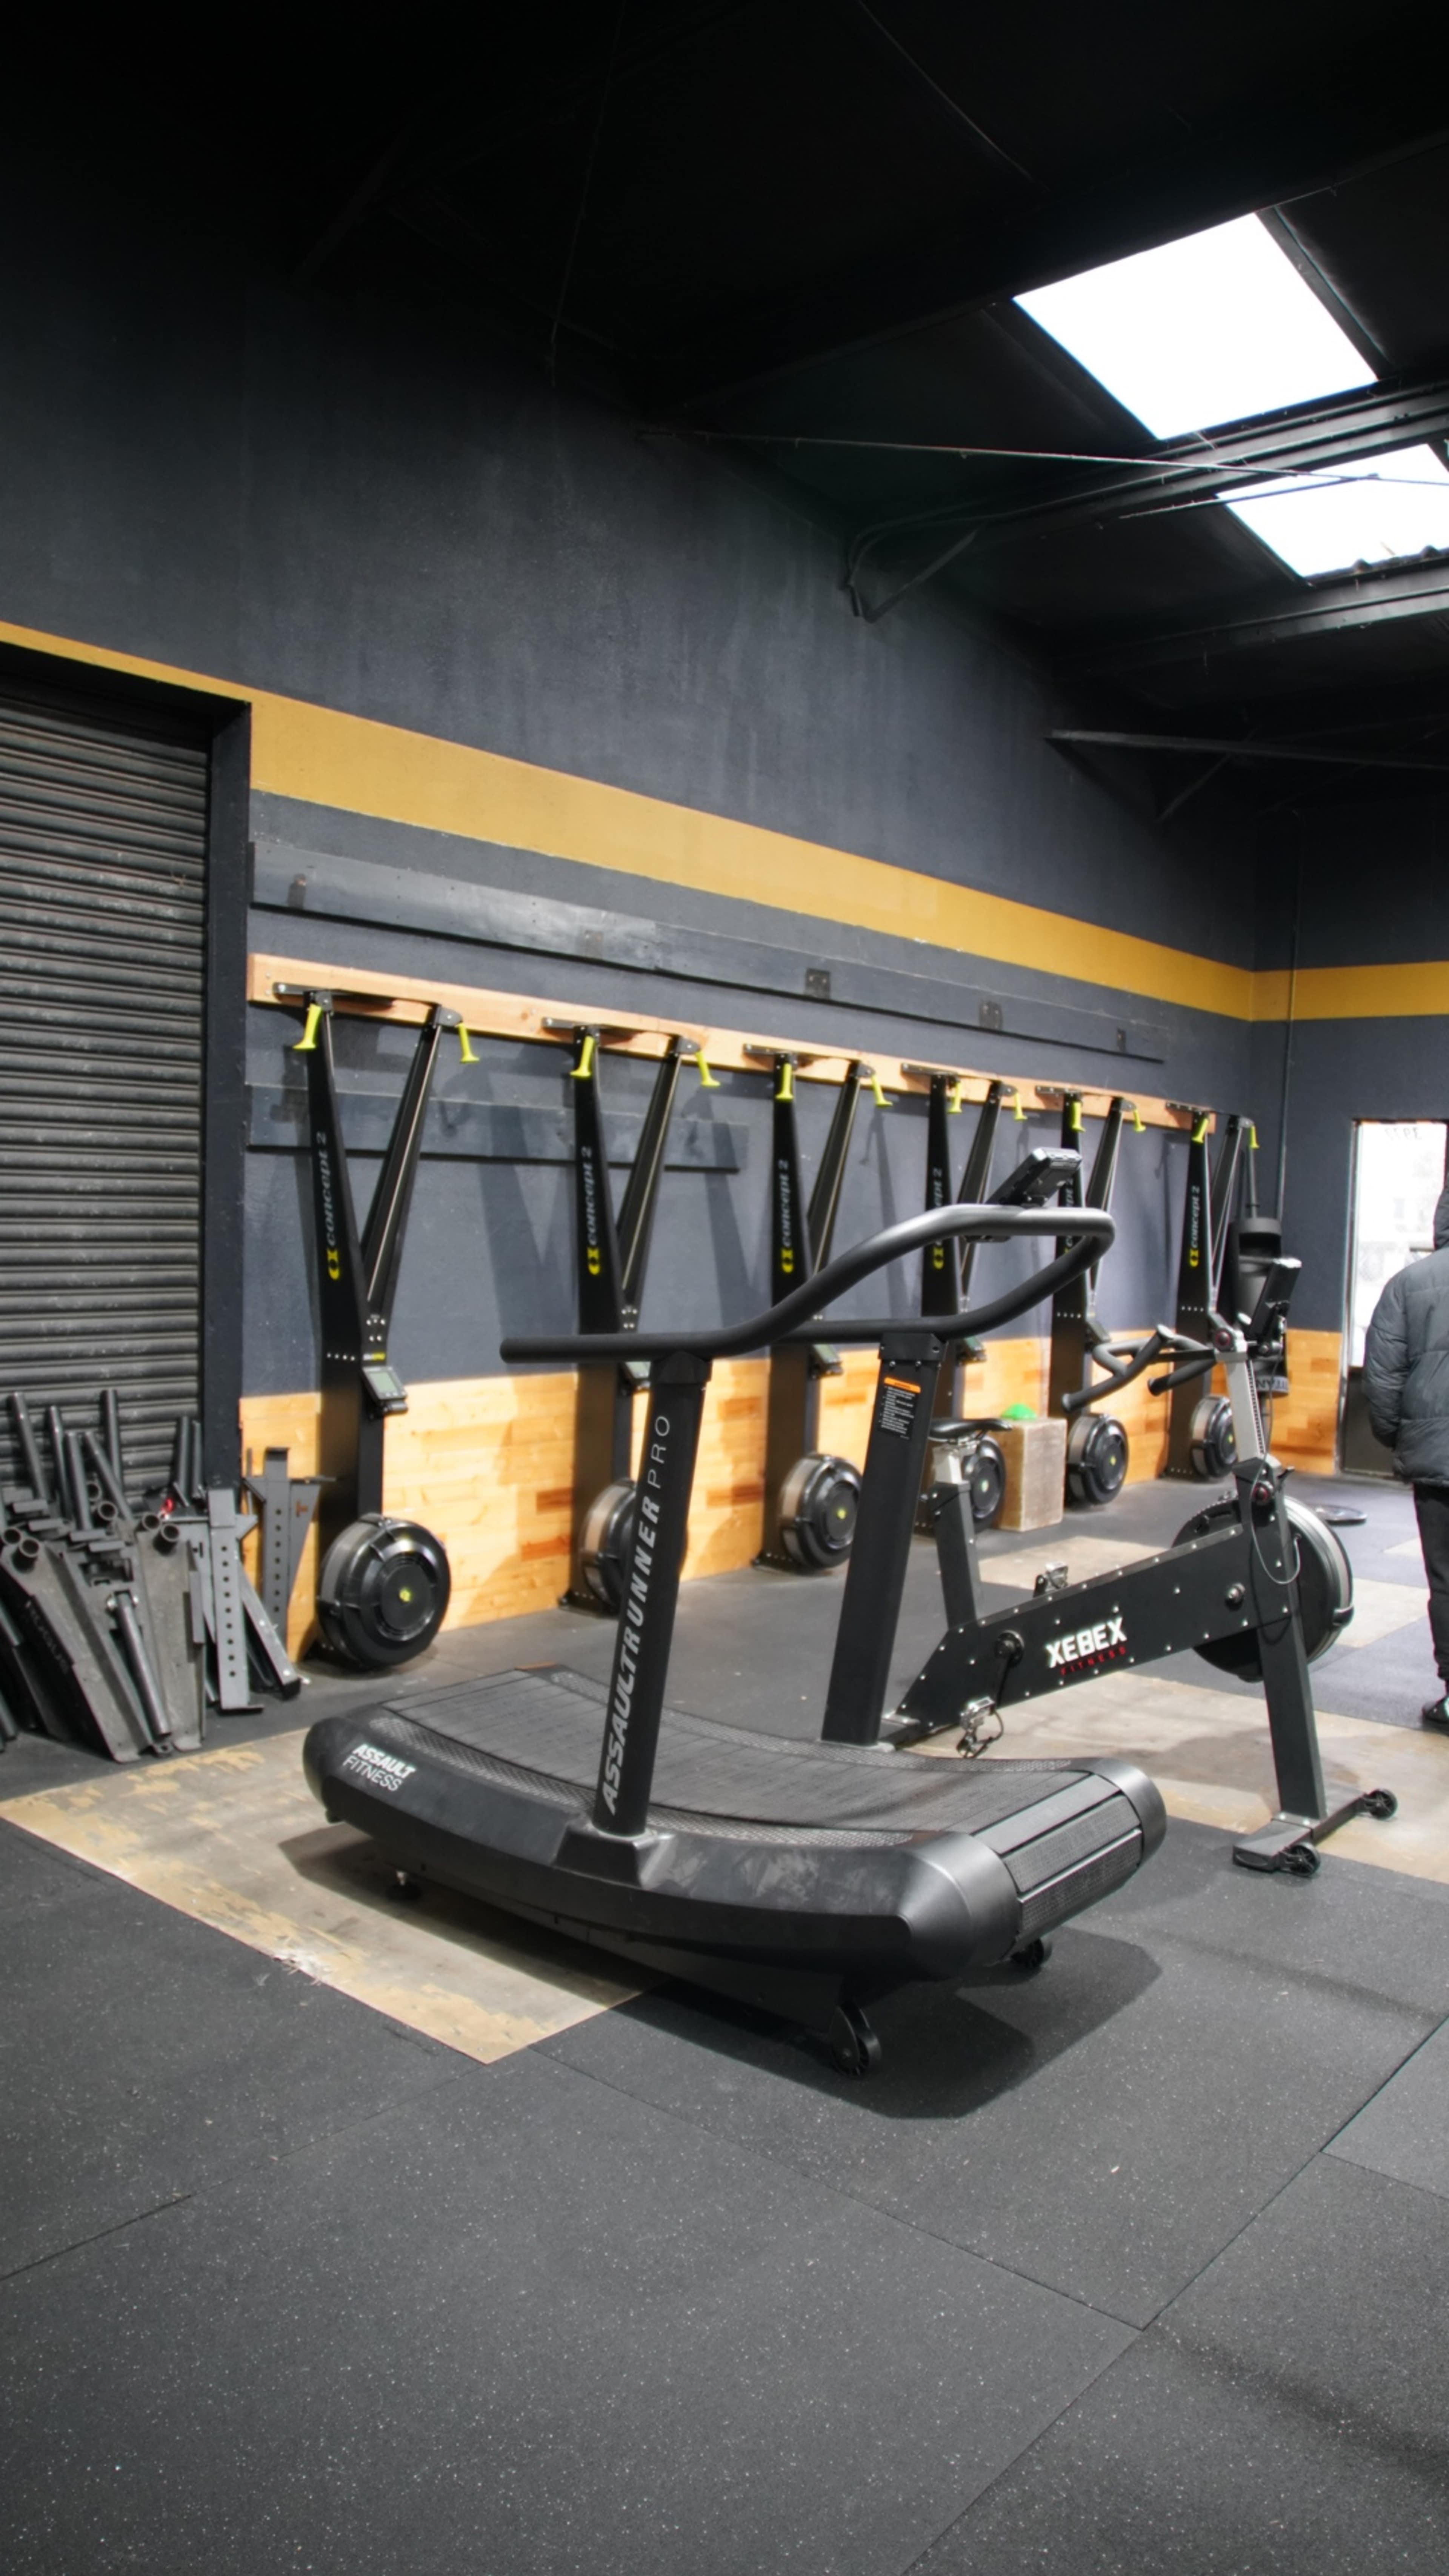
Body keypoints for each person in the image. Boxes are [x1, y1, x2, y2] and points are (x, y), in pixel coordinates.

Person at [1363, 1184, 1449, 1730]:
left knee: (1445, 1580)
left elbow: (1382, 1379)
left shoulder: (1409, 1284)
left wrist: (1399, 1438)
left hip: (1436, 1460)